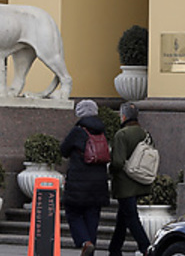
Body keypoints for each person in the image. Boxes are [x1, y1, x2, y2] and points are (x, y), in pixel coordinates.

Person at [61, 99, 110, 256]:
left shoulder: (78, 131)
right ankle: (90, 247)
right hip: (99, 183)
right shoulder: (102, 131)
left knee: (73, 212)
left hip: (78, 182)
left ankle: (85, 242)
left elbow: (63, 150)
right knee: (93, 215)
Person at [107, 102, 153, 256]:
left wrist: (110, 169)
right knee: (123, 217)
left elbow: (118, 162)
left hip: (124, 184)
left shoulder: (122, 134)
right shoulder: (145, 133)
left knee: (131, 217)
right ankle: (114, 249)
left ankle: (146, 247)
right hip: (139, 180)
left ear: (123, 116)